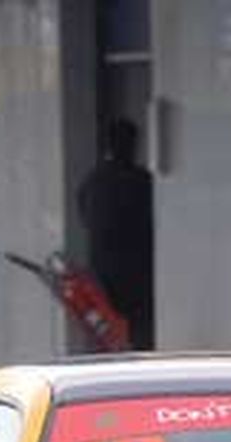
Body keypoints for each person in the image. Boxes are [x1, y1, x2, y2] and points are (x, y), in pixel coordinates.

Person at [76, 117, 154, 350]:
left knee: (105, 333)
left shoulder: (91, 183)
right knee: (139, 335)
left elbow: (85, 219)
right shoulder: (142, 181)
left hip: (102, 271)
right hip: (138, 272)